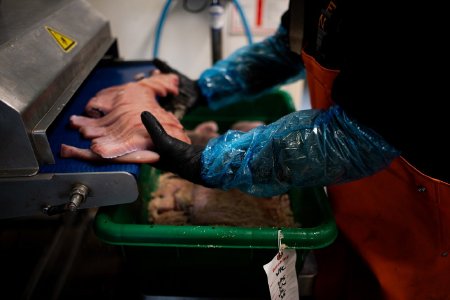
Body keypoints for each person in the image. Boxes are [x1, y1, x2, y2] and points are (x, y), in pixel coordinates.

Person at [141, 1, 450, 299]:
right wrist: (205, 87)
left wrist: (211, 163)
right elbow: (286, 49)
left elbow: (354, 138)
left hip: (423, 217)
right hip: (354, 203)